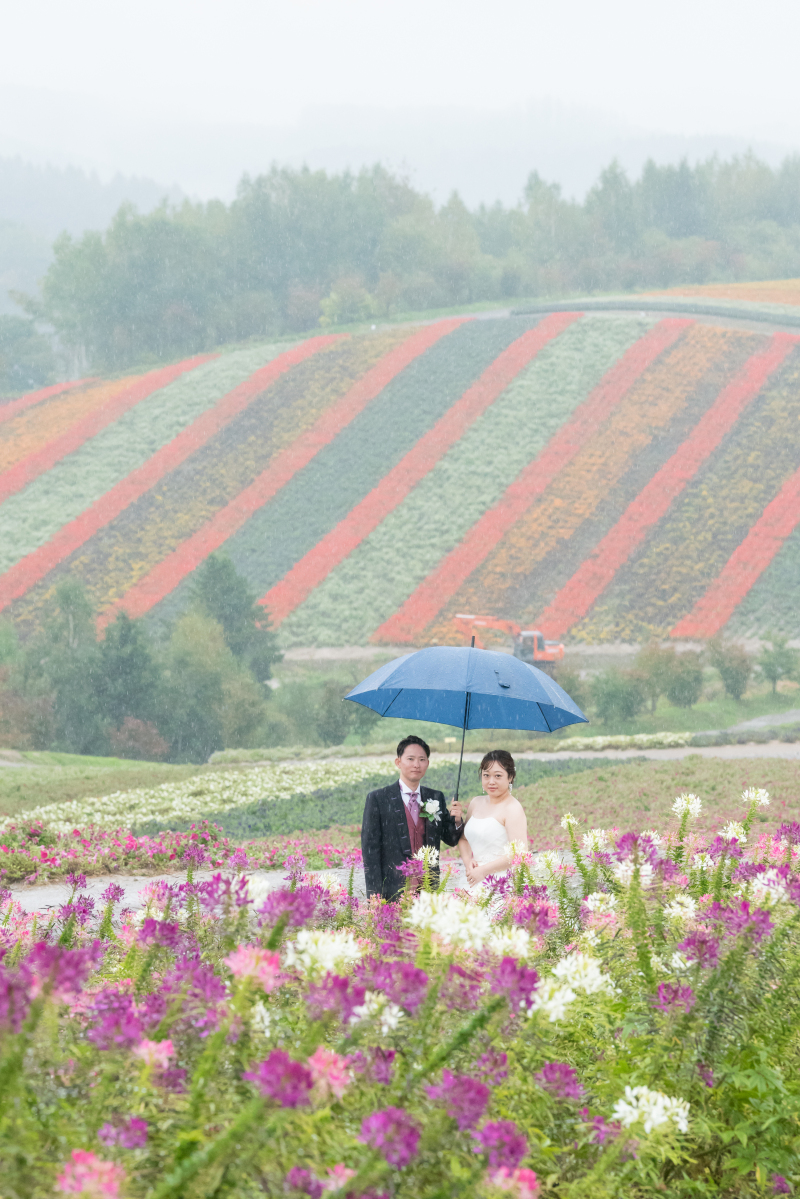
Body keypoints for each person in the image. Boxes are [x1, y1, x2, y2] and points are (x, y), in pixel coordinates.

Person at [361, 735, 466, 901]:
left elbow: (451, 839)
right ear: (398, 762)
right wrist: (374, 896)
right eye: (410, 759)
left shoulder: (435, 797)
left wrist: (457, 820)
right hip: (393, 889)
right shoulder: (379, 799)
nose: (417, 764)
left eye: (422, 759)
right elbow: (370, 852)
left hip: (428, 889)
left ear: (428, 763)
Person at [457, 749, 527, 890]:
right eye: (486, 775)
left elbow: (519, 853)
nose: (491, 781)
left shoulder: (513, 808)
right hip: (473, 877)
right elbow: (464, 839)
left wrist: (483, 871)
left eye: (498, 776)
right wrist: (468, 861)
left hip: (501, 881)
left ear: (510, 777)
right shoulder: (475, 803)